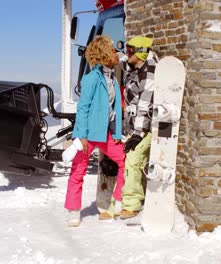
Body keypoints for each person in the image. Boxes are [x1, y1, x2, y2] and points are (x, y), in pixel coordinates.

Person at [64, 35, 125, 227]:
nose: (117, 54)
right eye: (114, 51)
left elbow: (114, 110)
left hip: (106, 133)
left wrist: (116, 134)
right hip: (88, 135)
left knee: (124, 161)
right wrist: (80, 136)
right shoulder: (91, 78)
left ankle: (118, 200)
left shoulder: (112, 77)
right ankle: (74, 211)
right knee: (78, 171)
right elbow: (82, 108)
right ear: (105, 54)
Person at [119, 36, 159, 219]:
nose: (126, 54)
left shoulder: (149, 72)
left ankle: (132, 204)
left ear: (141, 53)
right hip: (133, 125)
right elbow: (122, 62)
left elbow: (145, 105)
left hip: (146, 127)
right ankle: (136, 195)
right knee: (131, 159)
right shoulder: (135, 65)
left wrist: (138, 134)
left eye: (130, 51)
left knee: (133, 159)